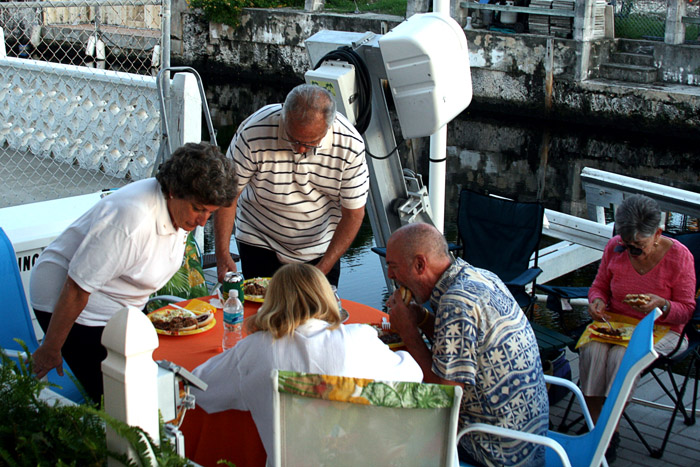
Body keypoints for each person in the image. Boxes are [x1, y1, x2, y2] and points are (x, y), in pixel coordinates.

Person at [30, 142, 238, 403]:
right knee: (118, 400)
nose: (203, 221)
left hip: (121, 305)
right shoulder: (131, 222)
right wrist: (51, 348)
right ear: (173, 190)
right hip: (70, 304)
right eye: (198, 209)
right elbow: (75, 288)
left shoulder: (179, 208)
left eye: (211, 212)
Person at [191, 263, 422, 464]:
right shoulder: (359, 339)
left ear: (271, 302)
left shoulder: (255, 349)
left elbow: (197, 386)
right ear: (325, 297)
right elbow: (413, 375)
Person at [386, 222, 549, 467]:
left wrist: (409, 332)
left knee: (388, 432)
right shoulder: (478, 276)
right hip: (531, 441)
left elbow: (445, 396)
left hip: (497, 453)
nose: (390, 275)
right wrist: (420, 318)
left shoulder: (456, 303)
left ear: (420, 264)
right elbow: (460, 345)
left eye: (393, 267)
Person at [213, 84, 369, 287]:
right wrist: (222, 253)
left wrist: (322, 270)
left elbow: (354, 214)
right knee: (261, 311)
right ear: (283, 117)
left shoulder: (350, 146)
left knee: (316, 315)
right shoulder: (254, 130)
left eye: (310, 143)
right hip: (259, 237)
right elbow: (228, 195)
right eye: (293, 139)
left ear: (328, 127)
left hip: (320, 246)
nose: (300, 149)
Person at [580, 194, 696, 459]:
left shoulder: (680, 258)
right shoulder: (613, 248)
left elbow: (687, 310)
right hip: (616, 321)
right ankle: (599, 424)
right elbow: (599, 286)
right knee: (592, 350)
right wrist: (597, 300)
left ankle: (609, 433)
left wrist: (663, 305)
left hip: (663, 329)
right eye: (626, 244)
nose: (630, 250)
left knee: (624, 356)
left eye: (638, 246)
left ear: (657, 233)